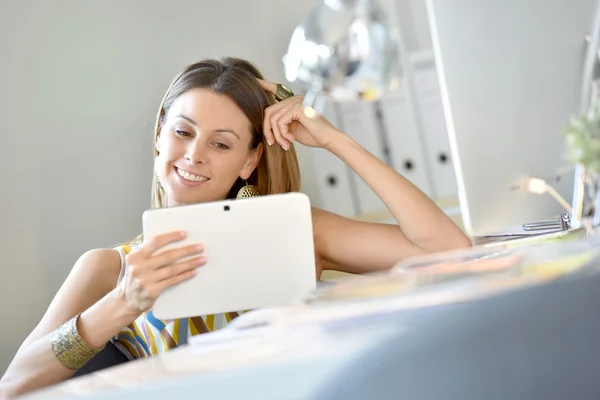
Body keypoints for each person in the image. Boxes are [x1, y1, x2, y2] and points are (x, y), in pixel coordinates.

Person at [0, 57, 471, 398]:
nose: (194, 155)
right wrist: (121, 304)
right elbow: (15, 384)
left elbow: (449, 249)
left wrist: (333, 139)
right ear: (159, 136)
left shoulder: (296, 232)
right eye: (182, 132)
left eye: (221, 144)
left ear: (250, 160)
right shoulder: (111, 267)